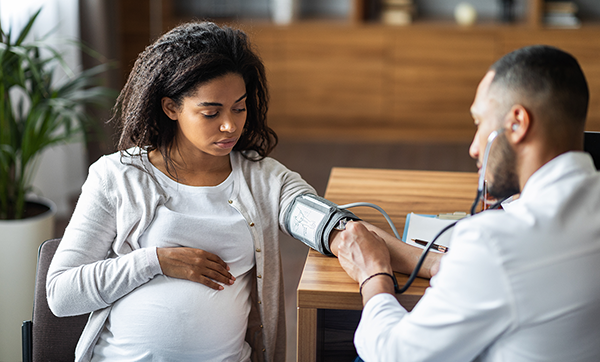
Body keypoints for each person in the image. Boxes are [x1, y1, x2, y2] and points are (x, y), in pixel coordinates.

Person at [46, 21, 336, 362]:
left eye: (239, 108)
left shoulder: (264, 179)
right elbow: (61, 294)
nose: (230, 125)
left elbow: (327, 223)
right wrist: (155, 261)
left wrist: (348, 233)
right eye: (211, 112)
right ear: (171, 108)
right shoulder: (117, 175)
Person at [334, 45, 600, 361]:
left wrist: (373, 273)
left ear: (516, 124)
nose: (475, 148)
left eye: (479, 123)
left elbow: (395, 354)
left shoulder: (496, 242)